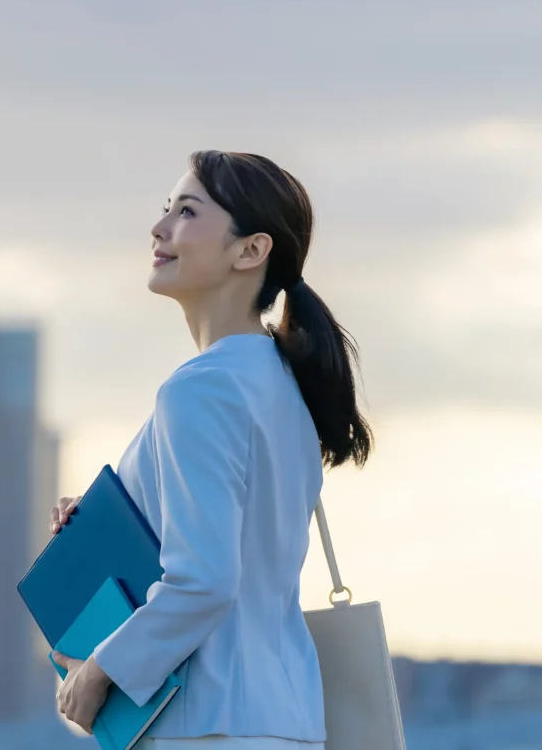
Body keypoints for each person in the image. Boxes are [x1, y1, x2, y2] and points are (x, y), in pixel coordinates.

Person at [47, 150, 373, 748]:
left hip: (207, 725)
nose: (160, 227)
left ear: (250, 251)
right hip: (281, 723)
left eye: (187, 212)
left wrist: (100, 671)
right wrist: (108, 522)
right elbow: (237, 554)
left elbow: (205, 582)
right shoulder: (280, 385)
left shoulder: (200, 389)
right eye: (165, 209)